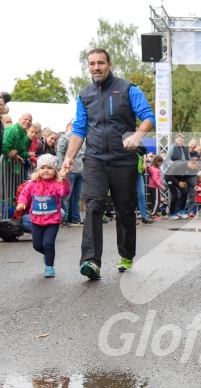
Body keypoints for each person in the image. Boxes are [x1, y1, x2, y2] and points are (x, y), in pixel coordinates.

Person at [63, 48, 155, 280]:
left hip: (123, 158)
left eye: (100, 63)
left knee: (124, 208)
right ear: (88, 67)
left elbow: (148, 118)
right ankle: (91, 261)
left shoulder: (128, 89)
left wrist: (136, 136)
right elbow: (79, 129)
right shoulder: (84, 95)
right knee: (94, 204)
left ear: (109, 64)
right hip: (95, 158)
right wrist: (69, 156)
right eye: (92, 64)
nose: (96, 67)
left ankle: (126, 255)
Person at [16, 154, 71, 278]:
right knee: (37, 245)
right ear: (38, 170)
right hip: (36, 220)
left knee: (48, 243)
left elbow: (64, 192)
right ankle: (47, 254)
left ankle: (49, 267)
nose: (46, 170)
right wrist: (21, 203)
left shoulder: (56, 183)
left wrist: (64, 179)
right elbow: (24, 194)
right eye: (43, 167)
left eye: (49, 168)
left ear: (55, 171)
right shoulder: (32, 184)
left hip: (52, 220)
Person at [57, 120, 85, 227]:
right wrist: (61, 168)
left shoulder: (84, 139)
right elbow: (59, 153)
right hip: (69, 170)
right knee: (66, 196)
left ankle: (75, 218)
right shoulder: (64, 138)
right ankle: (65, 219)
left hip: (81, 170)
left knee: (77, 196)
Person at [147, 155, 165, 220]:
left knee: (153, 201)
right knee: (157, 201)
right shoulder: (156, 170)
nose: (161, 164)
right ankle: (153, 214)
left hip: (151, 186)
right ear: (158, 162)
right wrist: (161, 186)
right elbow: (155, 179)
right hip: (155, 186)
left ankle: (154, 212)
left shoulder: (151, 168)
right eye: (160, 162)